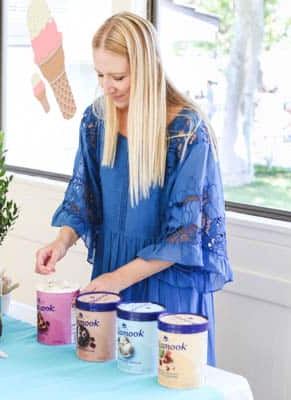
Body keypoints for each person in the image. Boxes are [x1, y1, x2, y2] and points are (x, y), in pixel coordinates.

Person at [34, 12, 232, 366]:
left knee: (168, 381)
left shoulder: (186, 131)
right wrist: (62, 241)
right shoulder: (97, 120)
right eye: (100, 75)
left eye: (118, 76)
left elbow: (182, 236)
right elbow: (85, 198)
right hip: (112, 277)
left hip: (167, 285)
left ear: (147, 69)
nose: (107, 86)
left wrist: (116, 280)